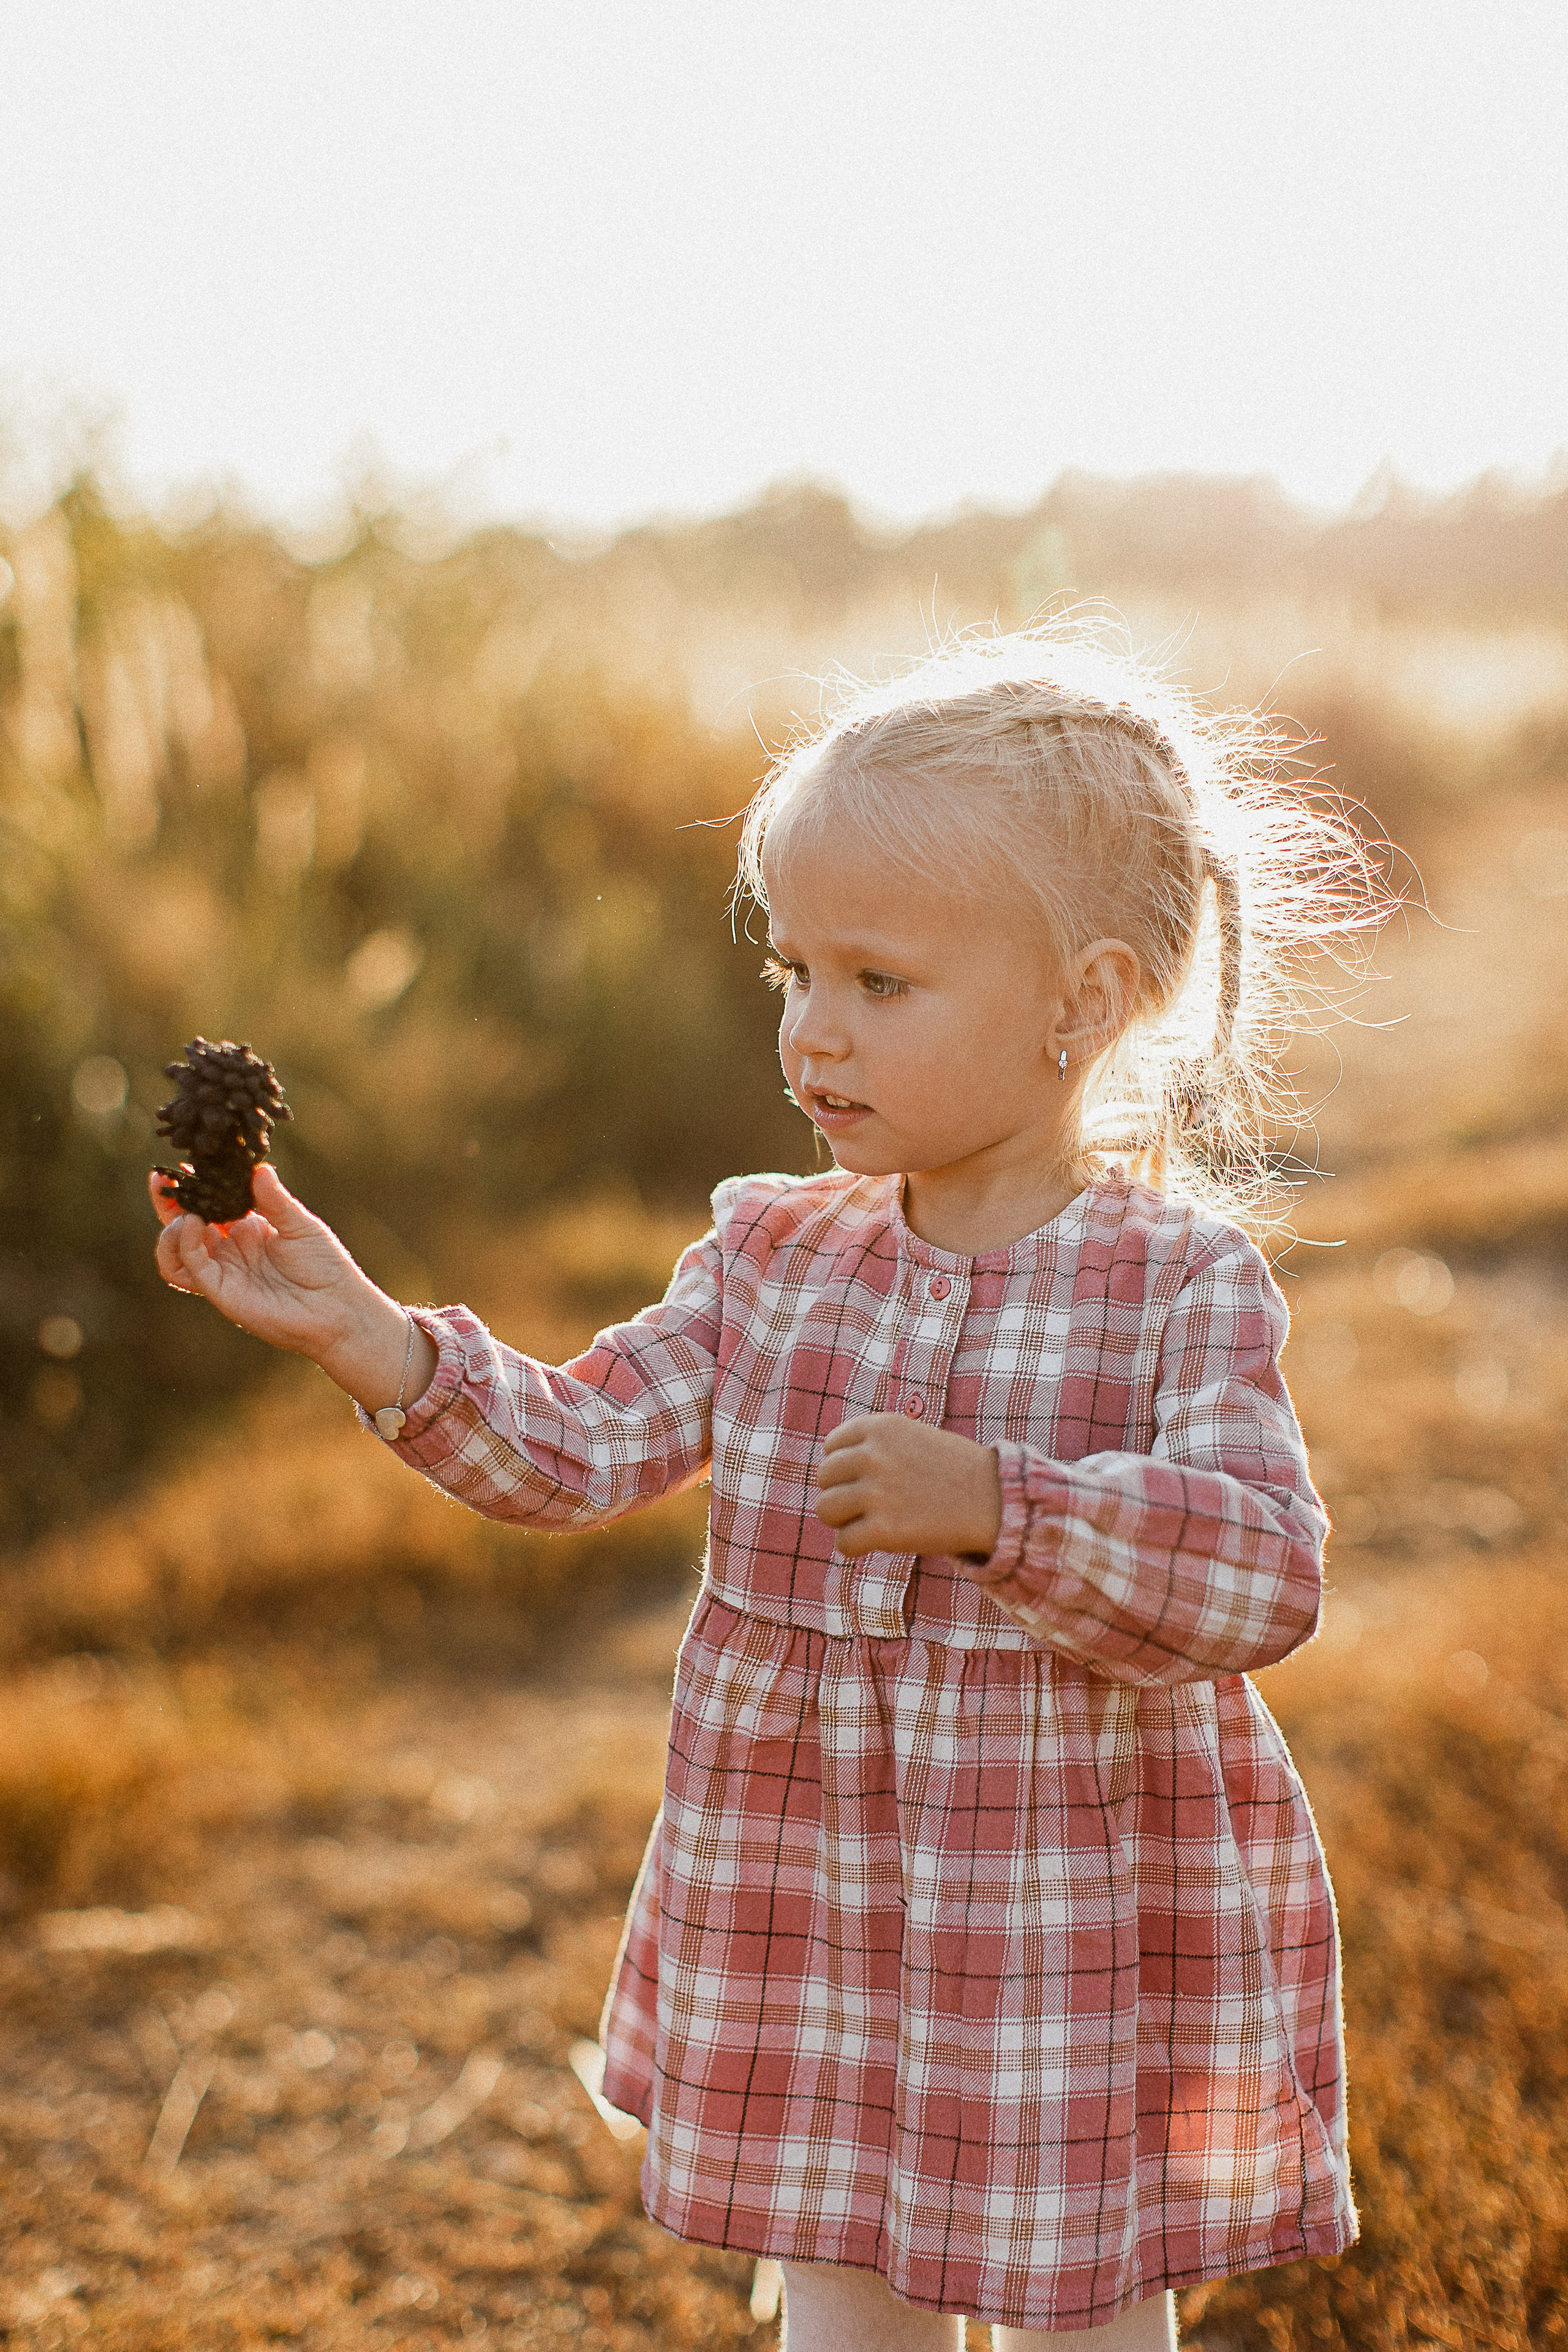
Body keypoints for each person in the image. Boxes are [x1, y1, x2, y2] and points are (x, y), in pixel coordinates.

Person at [151, 630, 1380, 2349]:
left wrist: (1005, 1507)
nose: (814, 1032)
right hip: (815, 1895)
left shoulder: (1177, 1288)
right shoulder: (772, 1256)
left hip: (1056, 1917)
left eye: (880, 982)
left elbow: (1264, 1580)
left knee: (1080, 2296)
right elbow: (576, 1448)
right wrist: (373, 1339)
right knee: (840, 2277)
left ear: (1082, 1006)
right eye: (794, 973)